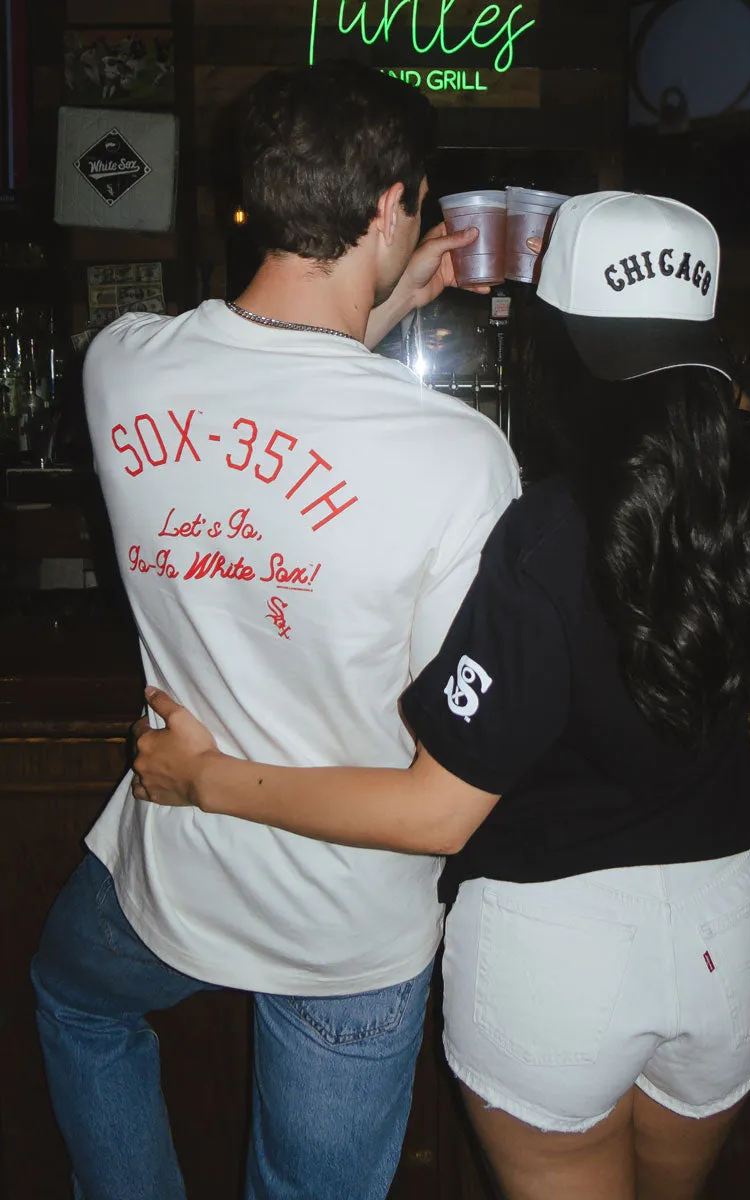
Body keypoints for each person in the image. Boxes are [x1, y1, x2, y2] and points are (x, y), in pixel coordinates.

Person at [132, 192, 750, 1200]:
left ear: (552, 348)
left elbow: (438, 813)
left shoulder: (548, 536)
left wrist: (205, 779)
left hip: (556, 956)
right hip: (720, 942)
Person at [30, 61, 520, 1200]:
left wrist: (381, 300)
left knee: (74, 1002)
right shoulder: (460, 456)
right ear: (394, 205)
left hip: (174, 877)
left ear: (251, 192)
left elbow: (264, 374)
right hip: (348, 927)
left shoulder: (122, 369)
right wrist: (387, 302)